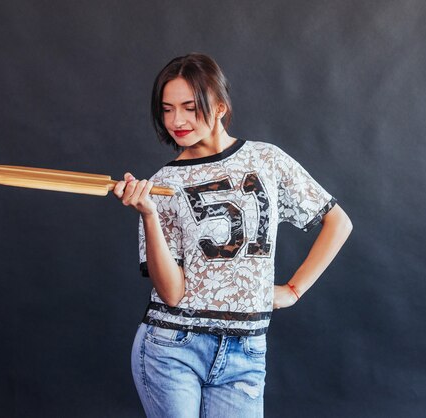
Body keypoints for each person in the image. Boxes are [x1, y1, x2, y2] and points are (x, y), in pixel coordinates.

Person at [113, 53, 352, 418]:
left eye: (190, 107)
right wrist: (148, 214)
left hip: (247, 350)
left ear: (220, 106)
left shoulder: (266, 160)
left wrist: (293, 290)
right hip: (173, 345)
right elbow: (173, 293)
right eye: (167, 109)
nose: (177, 120)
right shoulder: (162, 185)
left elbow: (338, 222)